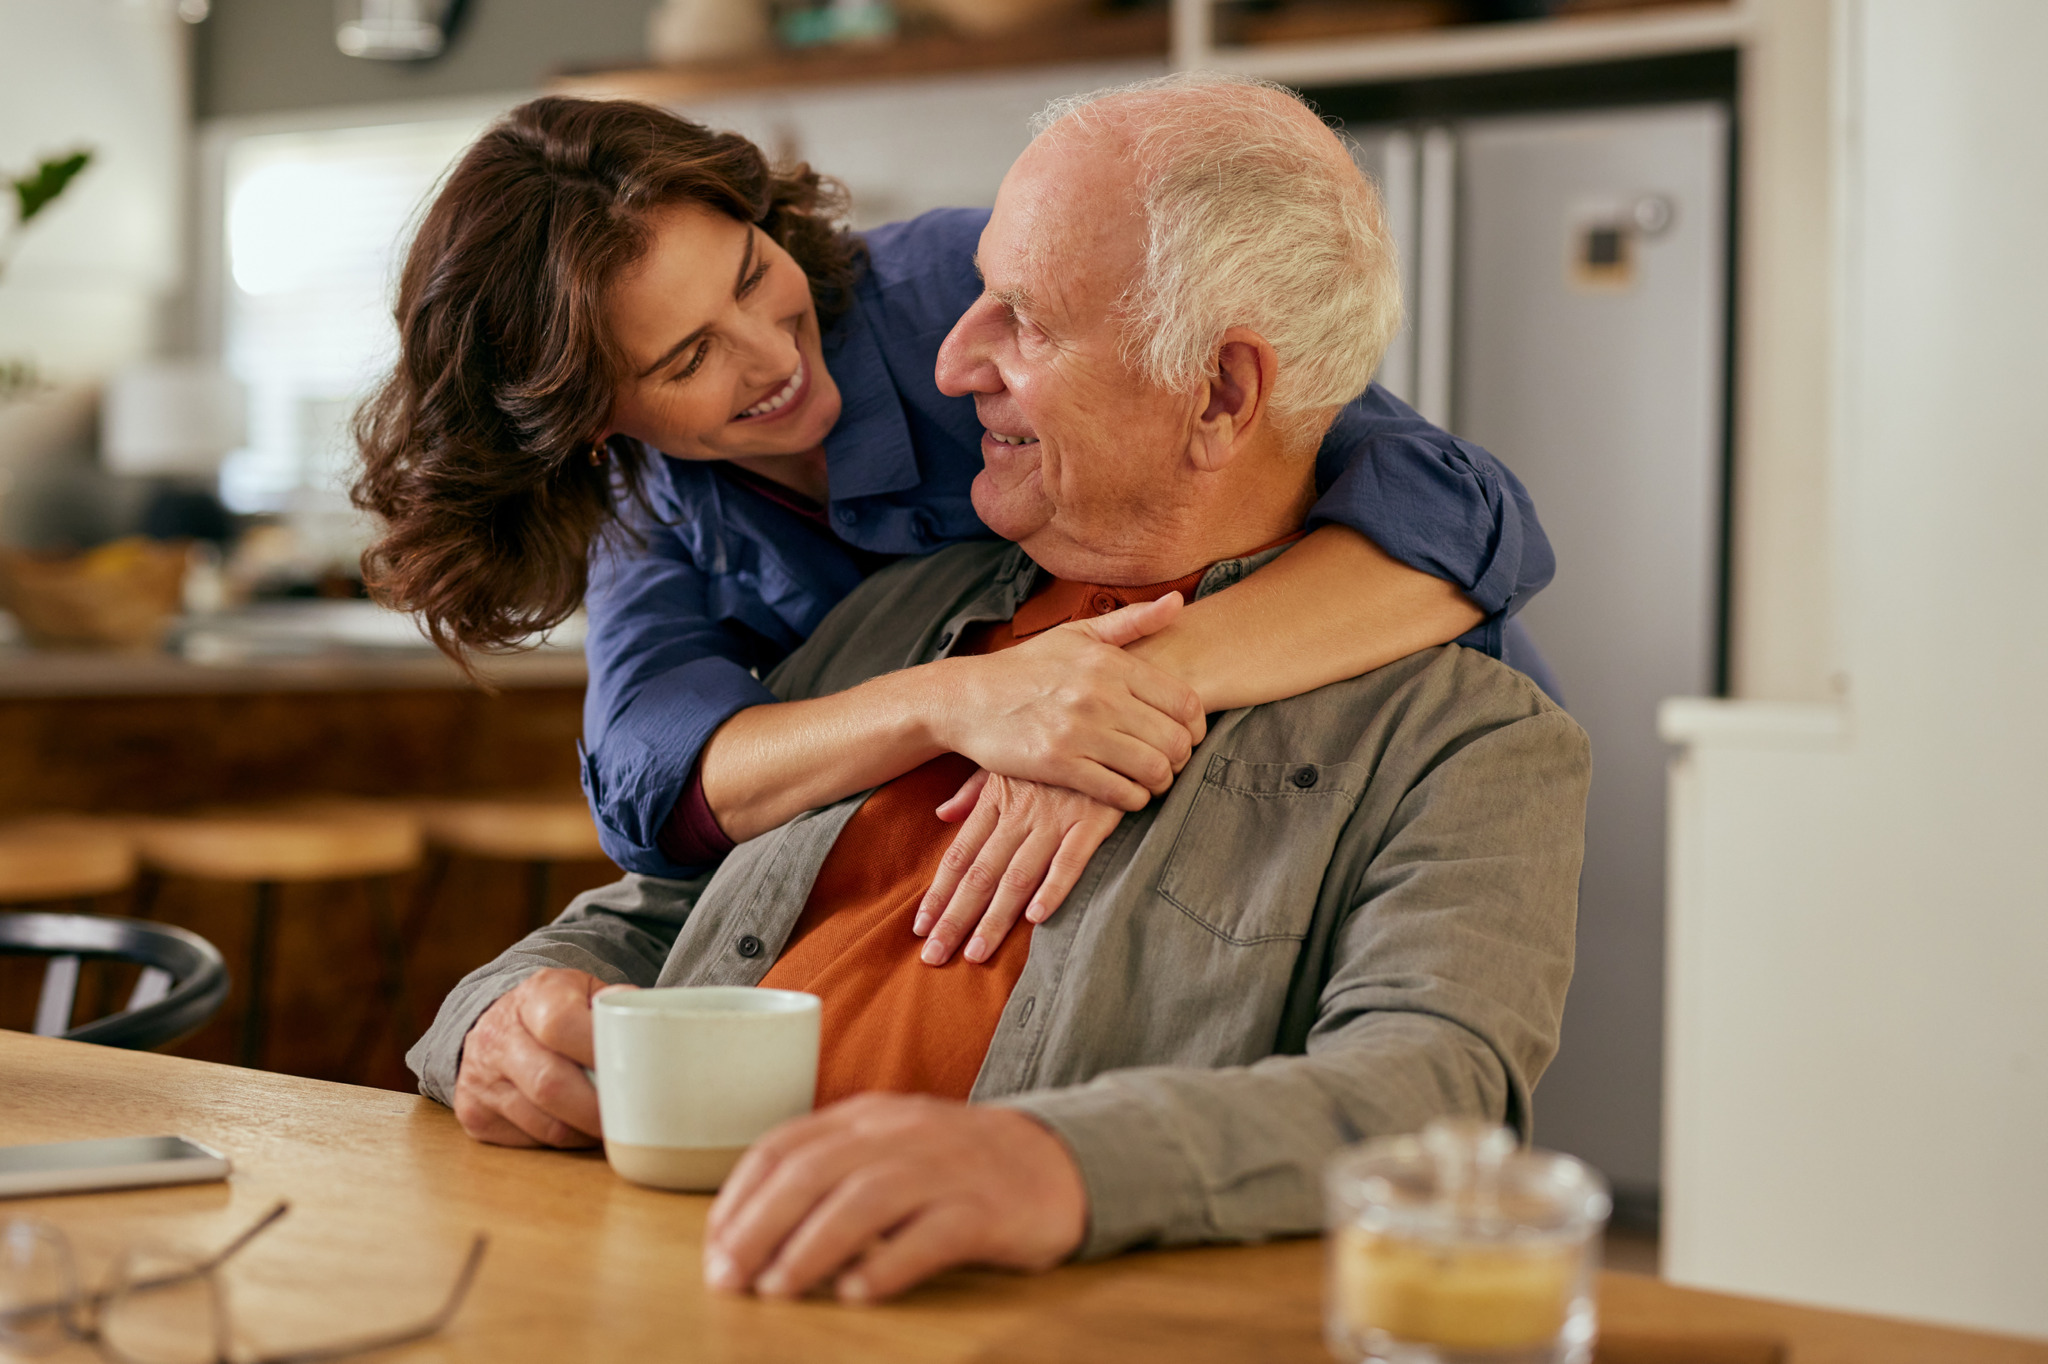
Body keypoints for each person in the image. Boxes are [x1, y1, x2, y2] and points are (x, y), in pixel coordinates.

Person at [409, 73, 1587, 1305]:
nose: (951, 361)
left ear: (1218, 392)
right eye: (689, 354)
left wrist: (1046, 1161)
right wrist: (493, 1021)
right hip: (659, 1276)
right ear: (602, 422)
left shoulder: (1462, 739)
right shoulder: (896, 622)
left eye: (1018, 318)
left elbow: (1426, 1091)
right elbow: (658, 878)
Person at [351, 92, 1556, 953]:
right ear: (591, 421)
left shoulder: (953, 291)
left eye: (748, 271)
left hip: (1342, 752)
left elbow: (1454, 507)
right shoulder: (650, 506)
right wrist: (958, 702)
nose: (774, 353)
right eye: (687, 356)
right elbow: (657, 783)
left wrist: (1116, 687)